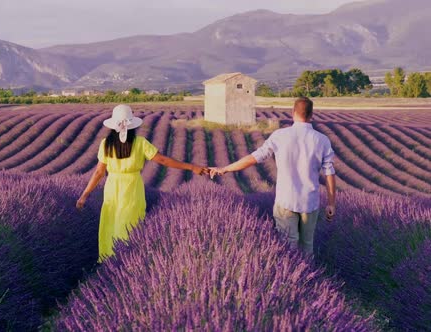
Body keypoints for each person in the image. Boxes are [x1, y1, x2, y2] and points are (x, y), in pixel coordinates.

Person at [77, 104, 209, 262]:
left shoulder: (106, 143)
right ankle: (129, 260)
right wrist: (192, 167)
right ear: (132, 125)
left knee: (111, 222)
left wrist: (84, 195)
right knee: (130, 221)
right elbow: (163, 160)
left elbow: (99, 172)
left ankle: (110, 261)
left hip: (112, 186)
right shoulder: (140, 142)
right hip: (132, 186)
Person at [210, 97, 336, 255]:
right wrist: (331, 203)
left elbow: (253, 158)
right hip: (310, 202)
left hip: (286, 200)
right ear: (311, 115)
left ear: (293, 113)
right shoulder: (322, 140)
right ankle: (308, 277)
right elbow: (329, 173)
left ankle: (291, 278)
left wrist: (225, 169)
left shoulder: (280, 135)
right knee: (307, 246)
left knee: (288, 247)